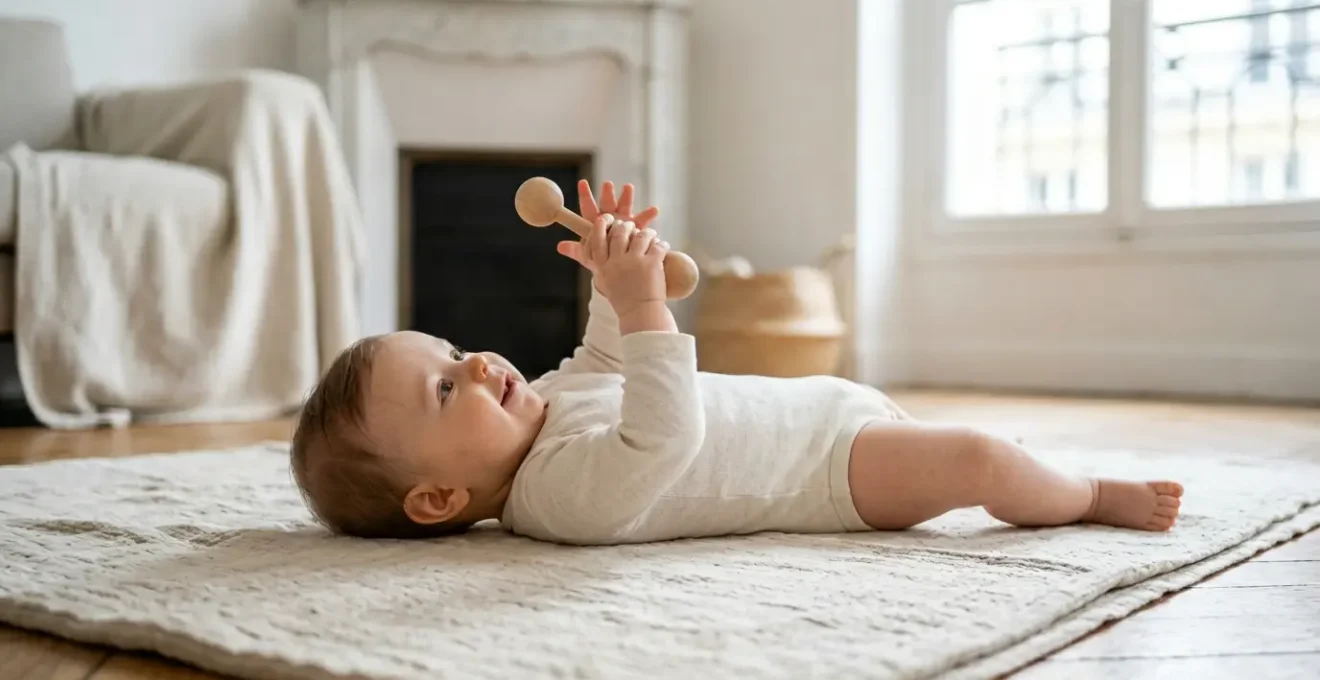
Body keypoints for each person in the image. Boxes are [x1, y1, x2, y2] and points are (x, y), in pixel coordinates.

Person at [289, 180, 1183, 544]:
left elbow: (607, 359)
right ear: (439, 499)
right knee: (979, 461)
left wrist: (615, 273)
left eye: (453, 350)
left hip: (825, 414)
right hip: (831, 474)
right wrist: (647, 304)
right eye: (447, 387)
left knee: (975, 447)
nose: (479, 362)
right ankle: (1090, 498)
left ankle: (1041, 475)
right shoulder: (555, 501)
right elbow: (662, 438)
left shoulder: (551, 406)